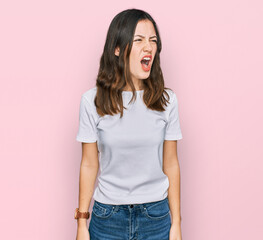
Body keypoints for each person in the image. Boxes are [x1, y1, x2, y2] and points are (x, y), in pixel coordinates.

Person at [75, 8, 183, 240]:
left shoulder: (167, 101)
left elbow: (171, 163)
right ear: (117, 49)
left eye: (153, 41)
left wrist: (176, 224)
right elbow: (89, 164)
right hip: (107, 218)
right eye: (139, 40)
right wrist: (82, 222)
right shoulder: (91, 101)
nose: (149, 47)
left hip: (155, 216)